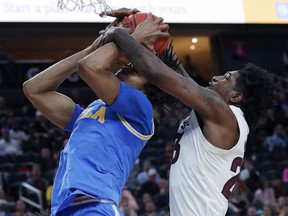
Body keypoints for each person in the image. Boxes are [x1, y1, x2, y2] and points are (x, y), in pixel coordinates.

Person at [101, 11, 278, 215]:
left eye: (226, 78)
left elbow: (155, 72)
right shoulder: (220, 116)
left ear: (236, 97)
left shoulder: (222, 112)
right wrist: (153, 32)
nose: (215, 77)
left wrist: (119, 33)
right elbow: (178, 73)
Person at [23, 8, 179, 216]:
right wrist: (95, 46)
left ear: (151, 83)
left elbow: (89, 68)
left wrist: (129, 38)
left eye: (135, 69)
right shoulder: (91, 111)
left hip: (96, 206)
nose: (128, 65)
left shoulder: (141, 108)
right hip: (65, 209)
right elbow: (34, 89)